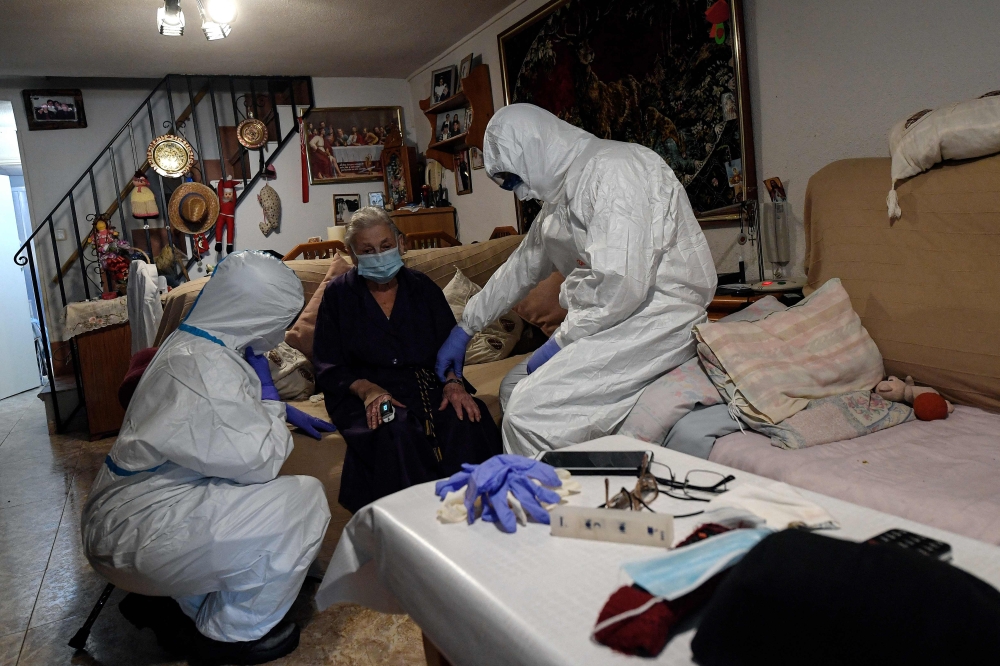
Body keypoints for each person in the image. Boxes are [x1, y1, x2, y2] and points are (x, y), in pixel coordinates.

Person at [81, 252, 336, 664]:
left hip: (132, 513)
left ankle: (172, 605)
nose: (282, 328)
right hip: (135, 532)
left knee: (232, 496)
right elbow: (261, 461)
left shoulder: (195, 345)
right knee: (302, 501)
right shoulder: (202, 369)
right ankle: (229, 636)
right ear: (256, 312)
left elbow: (203, 425)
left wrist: (276, 406)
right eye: (280, 316)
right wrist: (271, 401)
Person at [435, 104, 716, 456]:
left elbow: (619, 285)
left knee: (526, 415)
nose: (521, 194)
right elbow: (521, 267)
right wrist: (466, 326)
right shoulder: (561, 199)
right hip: (611, 323)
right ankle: (565, 485)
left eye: (517, 179)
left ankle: (553, 505)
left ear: (537, 149)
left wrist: (560, 343)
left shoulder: (617, 170)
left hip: (656, 321)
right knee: (511, 388)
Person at [313, 207, 503, 513]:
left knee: (467, 416)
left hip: (428, 383)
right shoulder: (338, 296)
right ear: (352, 254)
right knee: (393, 427)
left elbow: (448, 348)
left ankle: (481, 514)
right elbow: (328, 363)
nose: (379, 255)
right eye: (368, 250)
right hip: (368, 391)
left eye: (386, 246)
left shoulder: (421, 287)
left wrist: (454, 383)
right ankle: (415, 524)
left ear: (401, 244)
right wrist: (367, 391)